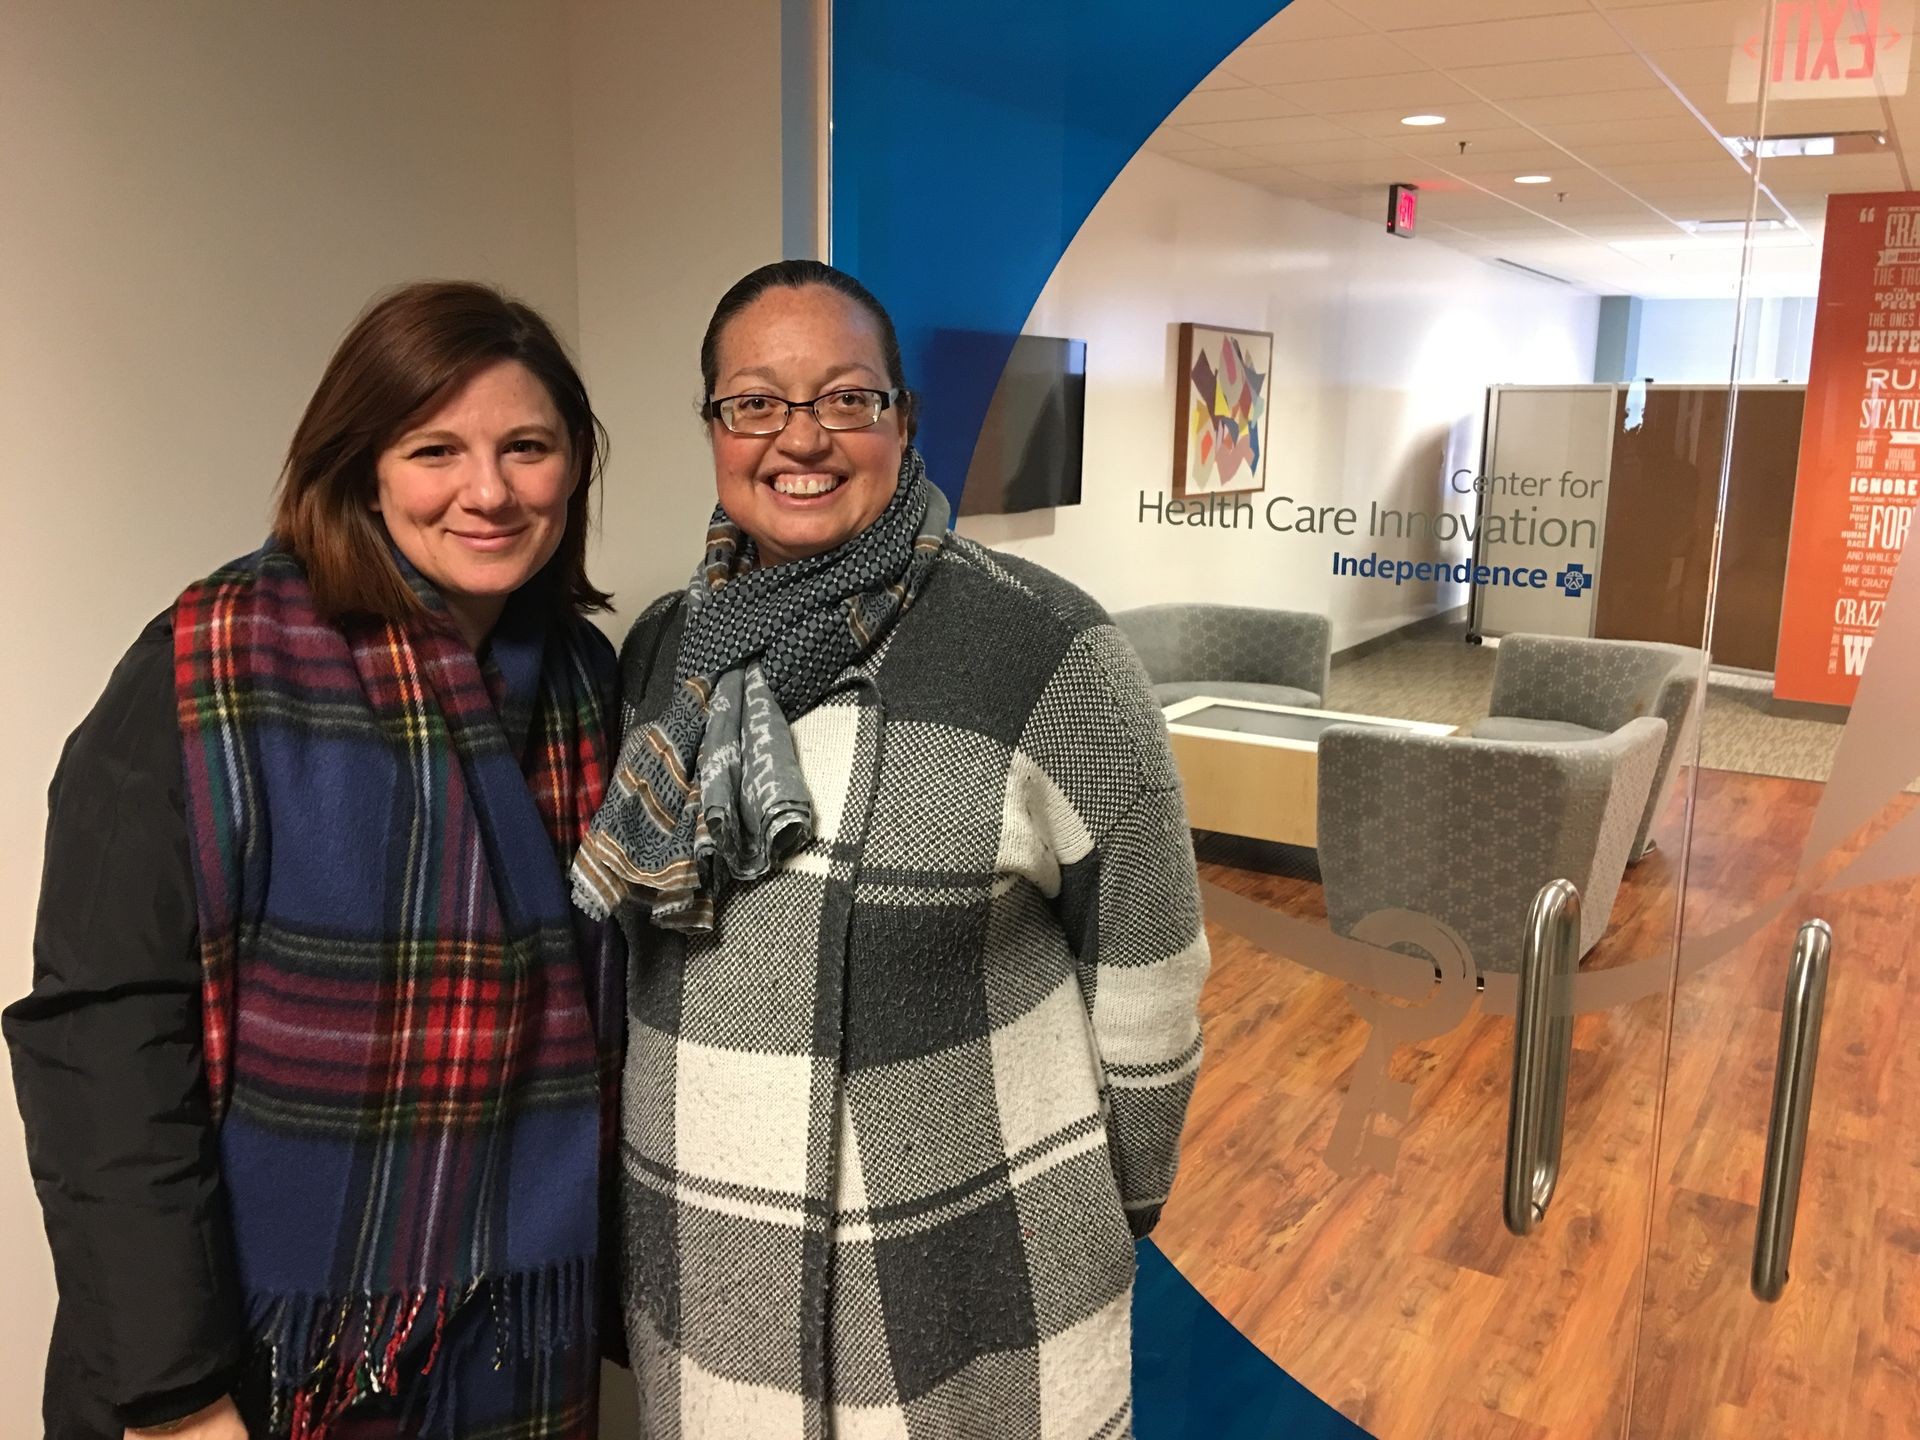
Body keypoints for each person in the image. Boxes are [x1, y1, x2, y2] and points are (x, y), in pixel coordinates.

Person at [572, 259, 1210, 1438]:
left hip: (968, 1257)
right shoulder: (666, 652)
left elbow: (1148, 972)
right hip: (707, 1256)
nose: (798, 437)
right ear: (713, 427)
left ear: (903, 420)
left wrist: (1097, 1205)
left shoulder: (1042, 645)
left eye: (846, 398)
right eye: (755, 401)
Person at [5, 282, 624, 1440]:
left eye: (526, 447)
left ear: (572, 468)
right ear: (361, 466)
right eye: (435, 448)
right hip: (244, 1362)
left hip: (512, 1351)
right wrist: (176, 1396)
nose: (487, 491)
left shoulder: (591, 685)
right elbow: (101, 1036)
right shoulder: (208, 662)